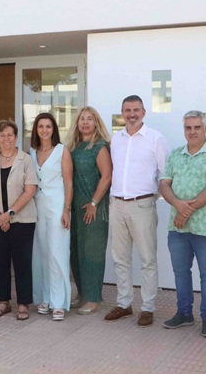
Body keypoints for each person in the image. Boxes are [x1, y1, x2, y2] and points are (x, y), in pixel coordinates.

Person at [158, 110, 206, 338]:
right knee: (181, 273)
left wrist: (186, 209)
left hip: (205, 228)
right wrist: (177, 204)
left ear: (205, 128)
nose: (192, 132)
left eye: (197, 127)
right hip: (177, 227)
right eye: (188, 128)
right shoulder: (176, 155)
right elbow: (163, 184)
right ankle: (184, 314)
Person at [105, 95, 169, 327]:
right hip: (117, 204)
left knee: (147, 259)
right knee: (120, 258)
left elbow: (165, 174)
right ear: (122, 113)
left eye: (136, 110)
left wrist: (152, 198)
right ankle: (124, 304)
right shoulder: (116, 139)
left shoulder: (155, 139)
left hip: (142, 205)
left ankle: (148, 307)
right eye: (127, 110)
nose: (132, 114)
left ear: (143, 112)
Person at [0, 120, 37, 320]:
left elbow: (30, 190)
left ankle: (23, 304)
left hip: (22, 221)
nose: (6, 138)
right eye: (2, 135)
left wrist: (9, 214)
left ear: (16, 137)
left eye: (10, 134)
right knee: (0, 262)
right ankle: (3, 302)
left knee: (22, 262)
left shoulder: (26, 160)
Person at [66, 107, 112, 316]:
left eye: (90, 119)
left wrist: (94, 202)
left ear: (96, 123)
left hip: (94, 208)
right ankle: (82, 293)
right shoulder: (73, 148)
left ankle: (93, 298)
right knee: (76, 252)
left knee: (92, 253)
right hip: (75, 208)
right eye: (82, 119)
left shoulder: (100, 147)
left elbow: (107, 176)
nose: (85, 122)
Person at [30, 113, 74, 321]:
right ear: (36, 130)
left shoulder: (61, 151)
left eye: (48, 126)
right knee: (42, 253)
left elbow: (68, 182)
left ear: (53, 129)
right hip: (37, 207)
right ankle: (45, 297)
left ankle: (59, 302)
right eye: (41, 126)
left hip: (57, 206)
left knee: (57, 253)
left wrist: (66, 209)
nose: (44, 130)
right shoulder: (32, 152)